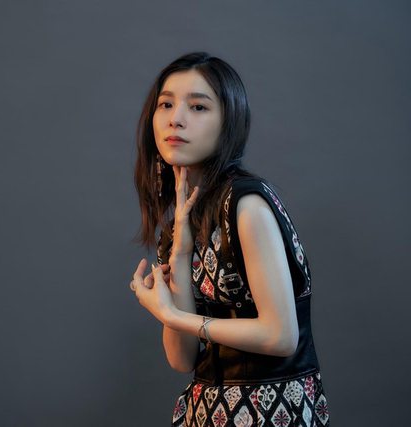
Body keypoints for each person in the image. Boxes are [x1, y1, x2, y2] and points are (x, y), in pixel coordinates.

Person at [128, 52, 330, 426]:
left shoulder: (247, 205)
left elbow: (281, 335)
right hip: (208, 410)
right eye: (166, 104)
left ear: (228, 122)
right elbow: (182, 359)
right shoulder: (180, 223)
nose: (176, 118)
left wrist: (170, 313)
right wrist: (181, 254)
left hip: (270, 411)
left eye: (198, 107)